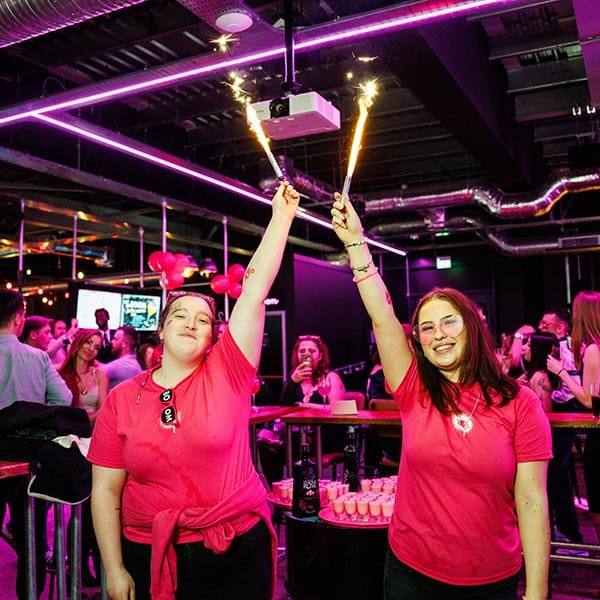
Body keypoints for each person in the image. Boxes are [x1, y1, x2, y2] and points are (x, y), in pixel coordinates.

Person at [331, 195, 552, 600]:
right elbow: (382, 315)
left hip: (489, 577)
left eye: (449, 322)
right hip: (411, 571)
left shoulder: (521, 403)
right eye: (427, 328)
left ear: (471, 326)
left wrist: (537, 593)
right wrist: (356, 245)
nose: (439, 335)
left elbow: (533, 501)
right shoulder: (415, 388)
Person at [87, 180, 300, 600]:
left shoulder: (228, 373)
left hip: (235, 549)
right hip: (149, 551)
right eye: (179, 316)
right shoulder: (122, 398)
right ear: (162, 331)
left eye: (202, 320)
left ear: (212, 337)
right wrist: (113, 568)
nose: (190, 323)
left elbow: (255, 292)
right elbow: (106, 490)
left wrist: (281, 218)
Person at [0, 290, 72, 600]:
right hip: (27, 457)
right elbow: (63, 400)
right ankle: (29, 594)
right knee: (31, 534)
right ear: (18, 320)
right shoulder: (37, 357)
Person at [547, 290, 600, 543]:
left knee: (597, 507)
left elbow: (590, 399)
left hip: (598, 436)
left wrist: (562, 373)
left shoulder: (592, 349)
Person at [57, 328, 108, 585]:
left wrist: (78, 420)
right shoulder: (59, 372)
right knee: (76, 509)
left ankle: (98, 569)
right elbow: (55, 413)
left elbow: (104, 410)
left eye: (97, 346)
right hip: (69, 448)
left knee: (95, 508)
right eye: (88, 342)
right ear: (78, 341)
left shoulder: (101, 373)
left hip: (95, 446)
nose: (91, 348)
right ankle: (76, 567)